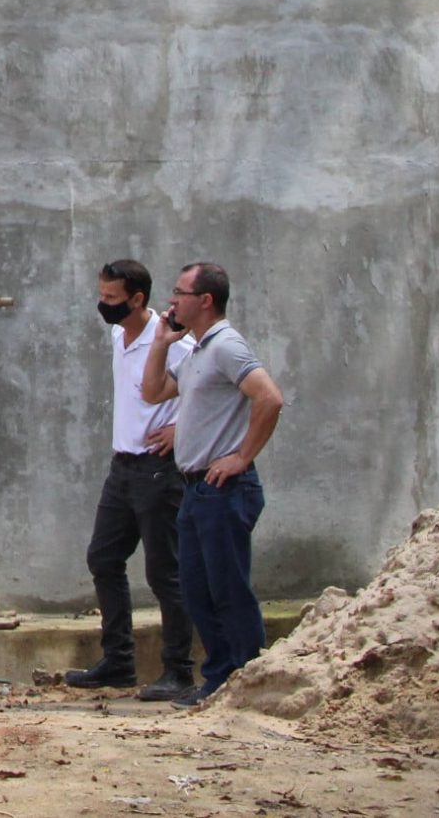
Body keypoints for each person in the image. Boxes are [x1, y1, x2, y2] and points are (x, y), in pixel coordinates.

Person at [142, 260, 286, 705]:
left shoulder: (226, 346)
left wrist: (242, 456)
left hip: (223, 489)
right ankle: (220, 677)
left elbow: (270, 398)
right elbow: (151, 392)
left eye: (180, 293)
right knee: (197, 588)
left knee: (227, 588)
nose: (171, 301)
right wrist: (162, 343)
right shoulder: (198, 352)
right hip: (195, 488)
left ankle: (247, 678)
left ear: (205, 300)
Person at [64, 259, 197, 701]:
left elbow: (216, 390)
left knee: (165, 573)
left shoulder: (174, 343)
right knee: (103, 557)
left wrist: (182, 430)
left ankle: (179, 670)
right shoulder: (118, 335)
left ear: (138, 299)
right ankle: (118, 661)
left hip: (159, 471)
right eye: (102, 296)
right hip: (122, 467)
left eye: (112, 299)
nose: (104, 306)